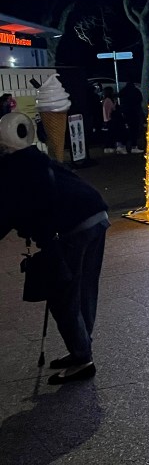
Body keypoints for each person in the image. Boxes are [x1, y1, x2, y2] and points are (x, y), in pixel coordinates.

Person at [0, 112, 110, 384]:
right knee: (84, 290)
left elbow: (8, 213)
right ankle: (82, 350)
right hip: (96, 215)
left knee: (63, 296)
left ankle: (82, 359)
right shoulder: (36, 157)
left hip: (72, 228)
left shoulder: (11, 169)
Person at [118, 81, 144, 153]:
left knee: (126, 130)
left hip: (125, 113)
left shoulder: (123, 91)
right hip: (134, 113)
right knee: (134, 130)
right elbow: (140, 100)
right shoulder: (136, 91)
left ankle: (122, 146)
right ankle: (133, 146)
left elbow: (119, 96)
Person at [101, 87, 125, 155]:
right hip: (110, 119)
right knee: (115, 133)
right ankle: (116, 147)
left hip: (107, 119)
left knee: (110, 134)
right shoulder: (108, 100)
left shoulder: (105, 100)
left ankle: (110, 147)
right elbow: (112, 110)